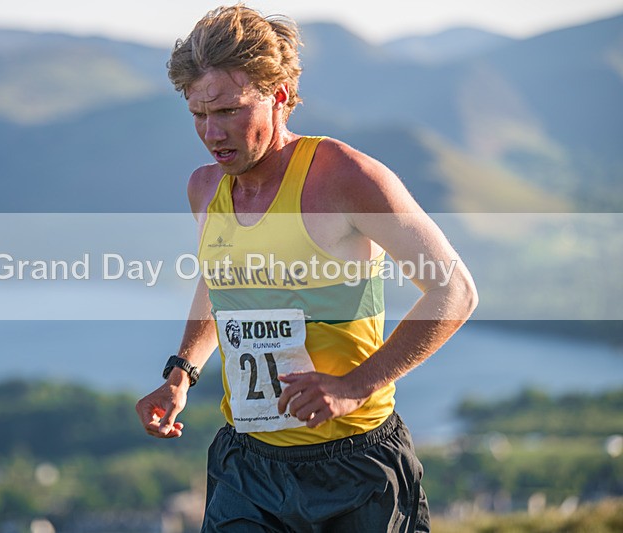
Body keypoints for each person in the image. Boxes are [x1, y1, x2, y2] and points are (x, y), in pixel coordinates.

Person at [135, 5, 478, 532]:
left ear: (277, 97)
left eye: (229, 111)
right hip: (246, 465)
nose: (212, 132)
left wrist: (355, 385)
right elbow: (220, 281)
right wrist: (181, 372)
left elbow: (454, 292)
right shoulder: (205, 188)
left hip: (355, 466)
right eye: (199, 115)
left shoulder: (343, 176)